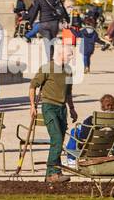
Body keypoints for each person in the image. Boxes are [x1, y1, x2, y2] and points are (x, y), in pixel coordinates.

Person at [29, 37, 78, 183]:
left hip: (62, 109)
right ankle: (52, 172)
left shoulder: (68, 70)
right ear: (61, 54)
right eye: (69, 54)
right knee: (56, 138)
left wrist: (72, 109)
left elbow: (68, 92)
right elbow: (33, 86)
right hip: (49, 107)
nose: (71, 57)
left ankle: (52, 173)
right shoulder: (47, 68)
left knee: (59, 139)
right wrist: (32, 105)